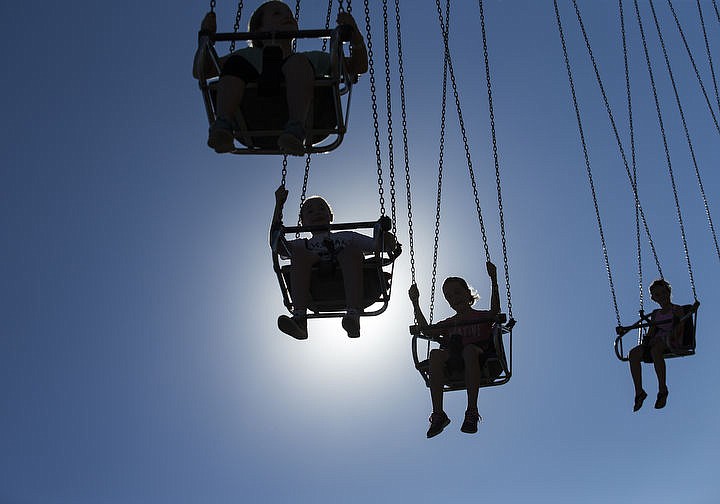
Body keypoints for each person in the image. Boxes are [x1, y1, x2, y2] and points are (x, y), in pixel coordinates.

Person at [193, 1, 368, 155]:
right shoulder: (246, 56)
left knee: (297, 63)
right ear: (258, 29)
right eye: (278, 13)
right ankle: (223, 124)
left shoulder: (312, 59)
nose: (288, 17)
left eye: (291, 15)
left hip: (309, 121)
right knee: (235, 65)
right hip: (250, 118)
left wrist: (356, 38)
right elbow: (202, 71)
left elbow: (358, 66)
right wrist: (205, 37)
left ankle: (295, 128)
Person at [271, 185, 396, 339]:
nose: (316, 212)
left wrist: (383, 233)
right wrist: (279, 205)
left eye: (321, 209)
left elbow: (377, 246)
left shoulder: (347, 236)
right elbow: (276, 244)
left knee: (350, 250)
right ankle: (300, 320)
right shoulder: (302, 245)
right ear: (302, 222)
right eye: (310, 211)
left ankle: (353, 316)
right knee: (299, 255)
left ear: (331, 216)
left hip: (348, 280)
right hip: (317, 289)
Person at [408, 262, 501, 438]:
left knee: (469, 351)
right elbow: (427, 330)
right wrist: (415, 302)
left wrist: (494, 280)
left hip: (481, 359)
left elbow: (495, 311)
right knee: (435, 354)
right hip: (455, 362)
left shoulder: (481, 316)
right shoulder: (449, 323)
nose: (454, 298)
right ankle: (438, 414)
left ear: (468, 293)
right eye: (449, 296)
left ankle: (472, 411)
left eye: (457, 292)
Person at [628, 279, 699, 412]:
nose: (661, 297)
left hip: (673, 340)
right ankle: (639, 392)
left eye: (663, 293)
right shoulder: (656, 314)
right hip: (657, 341)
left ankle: (662, 389)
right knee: (633, 353)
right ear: (654, 298)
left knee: (656, 350)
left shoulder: (676, 309)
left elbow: (680, 327)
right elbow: (651, 331)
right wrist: (647, 341)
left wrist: (668, 337)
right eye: (657, 295)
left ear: (668, 292)